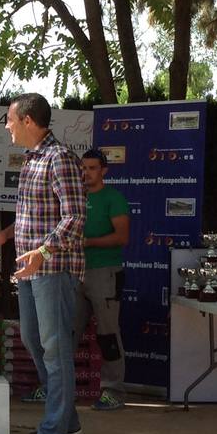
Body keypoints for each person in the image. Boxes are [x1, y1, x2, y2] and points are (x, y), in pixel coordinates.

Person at [0, 93, 86, 434]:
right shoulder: (32, 159)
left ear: (28, 121)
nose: (6, 126)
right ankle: (66, 417)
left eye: (10, 119)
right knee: (31, 339)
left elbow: (74, 218)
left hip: (53, 269)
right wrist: (4, 235)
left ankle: (53, 432)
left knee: (55, 349)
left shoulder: (60, 158)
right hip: (30, 269)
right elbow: (34, 215)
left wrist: (42, 253)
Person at [77, 148, 131, 411]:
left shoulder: (113, 198)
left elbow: (122, 237)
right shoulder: (74, 197)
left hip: (105, 272)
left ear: (104, 171)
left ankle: (113, 390)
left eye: (92, 168)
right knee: (66, 332)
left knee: (108, 333)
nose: (86, 173)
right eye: (83, 168)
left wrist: (88, 242)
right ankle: (57, 388)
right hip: (74, 272)